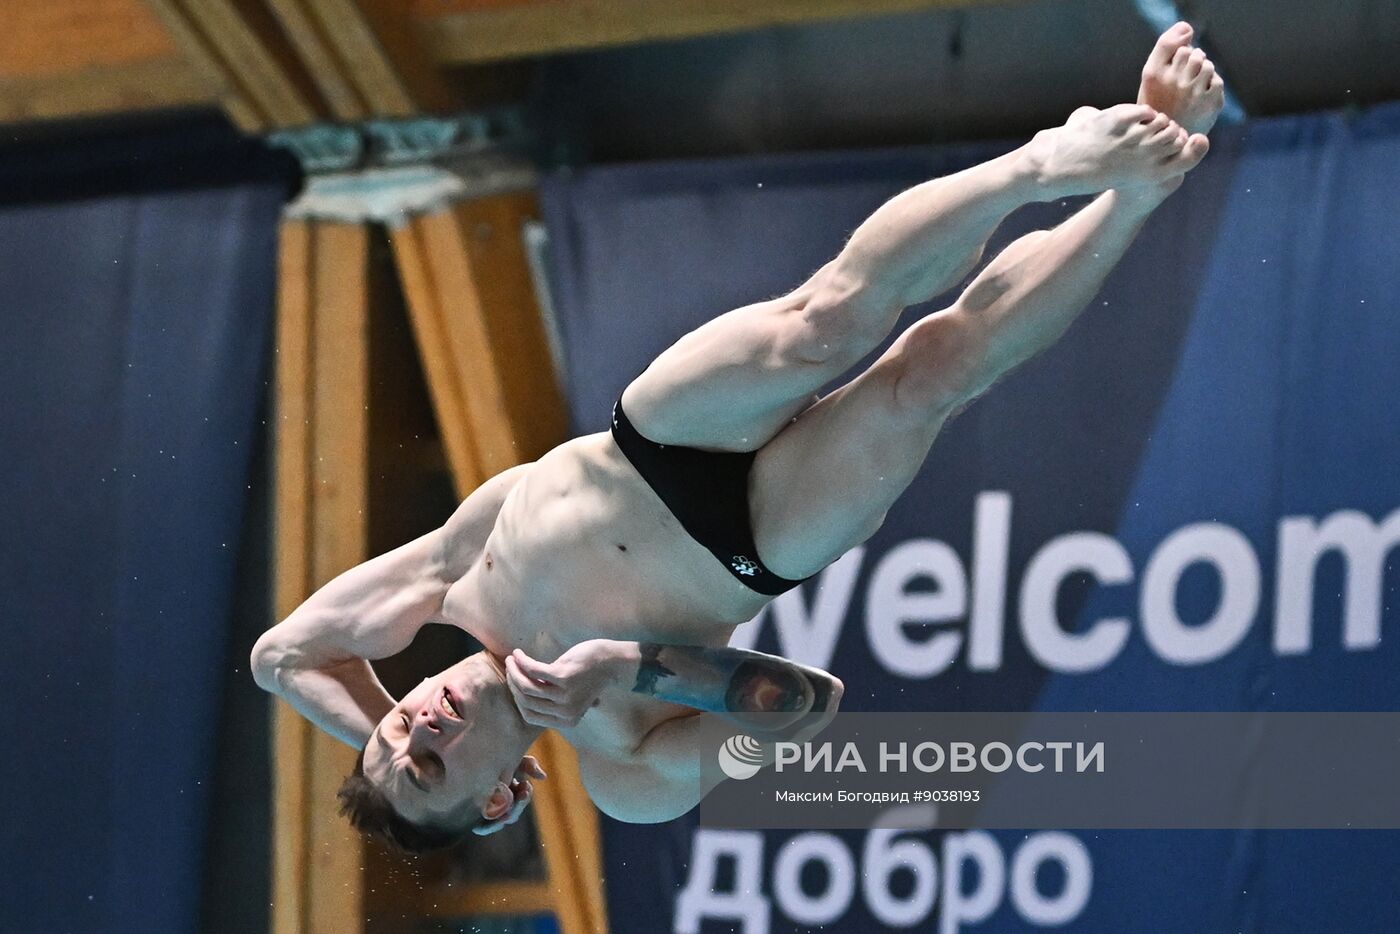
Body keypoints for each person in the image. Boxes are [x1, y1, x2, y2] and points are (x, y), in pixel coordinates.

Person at [252, 24, 1225, 852]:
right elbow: (806, 709)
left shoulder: (445, 578)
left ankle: (1044, 163)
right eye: (427, 764)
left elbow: (282, 658)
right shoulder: (626, 771)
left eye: (391, 731)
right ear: (502, 795)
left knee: (827, 321)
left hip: (653, 443)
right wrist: (623, 669)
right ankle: (1136, 194)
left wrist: (383, 739)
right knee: (935, 374)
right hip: (755, 543)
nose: (416, 726)